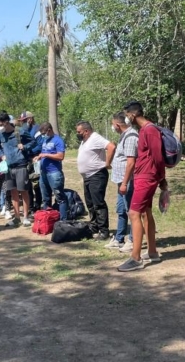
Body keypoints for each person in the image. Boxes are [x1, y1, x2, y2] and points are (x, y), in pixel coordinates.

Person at [117, 102, 167, 272]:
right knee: (146, 212)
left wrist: (162, 179)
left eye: (126, 114)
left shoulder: (150, 130)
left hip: (147, 177)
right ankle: (152, 251)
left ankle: (135, 258)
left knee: (134, 213)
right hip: (143, 176)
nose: (126, 117)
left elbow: (158, 158)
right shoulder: (143, 130)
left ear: (132, 114)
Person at [0, 112, 37, 227]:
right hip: (9, 167)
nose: (0, 127)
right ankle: (17, 218)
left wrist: (25, 147)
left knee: (24, 191)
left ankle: (26, 217)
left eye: (1, 124)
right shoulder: (0, 134)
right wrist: (2, 155)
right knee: (13, 193)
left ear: (7, 122)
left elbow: (33, 141)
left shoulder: (20, 131)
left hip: (21, 165)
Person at [76, 121, 115, 240]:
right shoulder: (85, 141)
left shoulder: (95, 138)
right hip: (87, 177)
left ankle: (104, 231)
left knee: (98, 203)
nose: (77, 134)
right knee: (90, 204)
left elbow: (111, 146)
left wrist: (107, 163)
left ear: (86, 131)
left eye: (79, 132)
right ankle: (94, 227)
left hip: (97, 175)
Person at [107, 111, 138, 251]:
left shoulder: (131, 137)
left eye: (113, 125)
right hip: (121, 181)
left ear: (118, 125)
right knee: (121, 210)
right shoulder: (123, 136)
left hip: (128, 181)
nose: (113, 127)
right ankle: (119, 238)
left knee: (130, 210)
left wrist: (125, 183)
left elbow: (131, 162)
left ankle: (132, 240)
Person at [36, 122, 68, 219]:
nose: (43, 136)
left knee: (60, 198)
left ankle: (63, 221)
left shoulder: (58, 140)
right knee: (45, 198)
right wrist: (39, 157)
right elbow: (44, 152)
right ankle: (48, 219)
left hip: (54, 173)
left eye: (43, 133)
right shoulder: (45, 141)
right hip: (44, 173)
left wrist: (46, 155)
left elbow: (60, 156)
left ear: (49, 130)